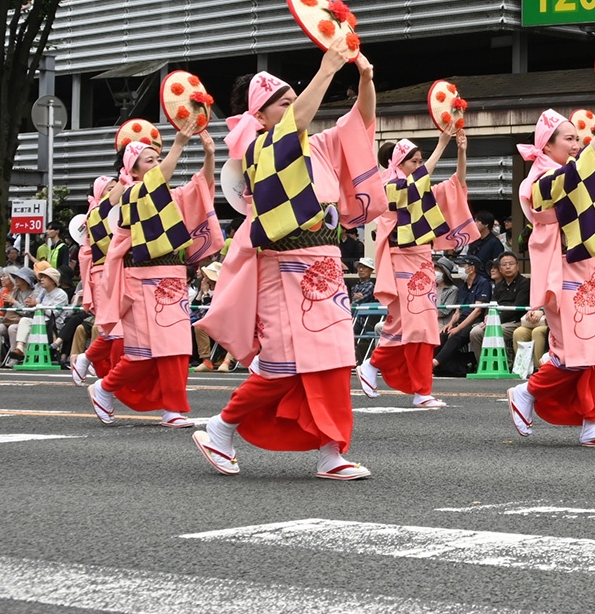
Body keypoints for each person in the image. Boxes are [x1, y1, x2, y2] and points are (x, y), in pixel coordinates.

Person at [191, 45, 385, 480]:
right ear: (259, 115)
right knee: (283, 366)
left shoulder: (316, 144)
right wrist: (328, 66)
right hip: (285, 266)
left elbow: (360, 123)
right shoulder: (260, 148)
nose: (294, 105)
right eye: (283, 100)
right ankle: (220, 428)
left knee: (335, 358)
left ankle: (331, 453)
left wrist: (366, 80)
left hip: (326, 260)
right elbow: (294, 124)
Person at [505, 92, 595, 448]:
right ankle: (533, 393)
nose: (576, 144)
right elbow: (577, 175)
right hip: (564, 269)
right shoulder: (536, 182)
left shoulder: (573, 172)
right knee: (582, 348)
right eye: (569, 138)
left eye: (577, 138)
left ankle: (588, 421)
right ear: (547, 145)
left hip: (587, 267)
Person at [89, 127, 222, 428]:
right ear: (132, 169)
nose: (156, 163)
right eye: (149, 160)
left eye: (157, 158)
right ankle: (106, 387)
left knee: (175, 346)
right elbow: (155, 181)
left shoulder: (169, 196)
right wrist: (179, 142)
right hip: (143, 277)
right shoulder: (133, 193)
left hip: (172, 274)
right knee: (144, 352)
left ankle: (173, 408)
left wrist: (210, 155)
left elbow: (202, 186)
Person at [360, 130, 470, 408]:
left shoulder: (418, 190)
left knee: (404, 325)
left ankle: (373, 367)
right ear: (398, 163)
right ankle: (421, 391)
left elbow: (456, 186)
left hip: (420, 257)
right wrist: (442, 143)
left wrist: (461, 152)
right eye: (414, 161)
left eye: (421, 161)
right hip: (403, 258)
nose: (420, 166)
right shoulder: (390, 187)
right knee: (420, 326)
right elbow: (417, 185)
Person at [70, 177, 122, 386]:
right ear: (101, 193)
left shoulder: (113, 211)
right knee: (114, 328)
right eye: (110, 188)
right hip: (103, 275)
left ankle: (93, 362)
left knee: (120, 327)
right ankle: (96, 365)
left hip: (117, 273)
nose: (116, 191)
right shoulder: (98, 213)